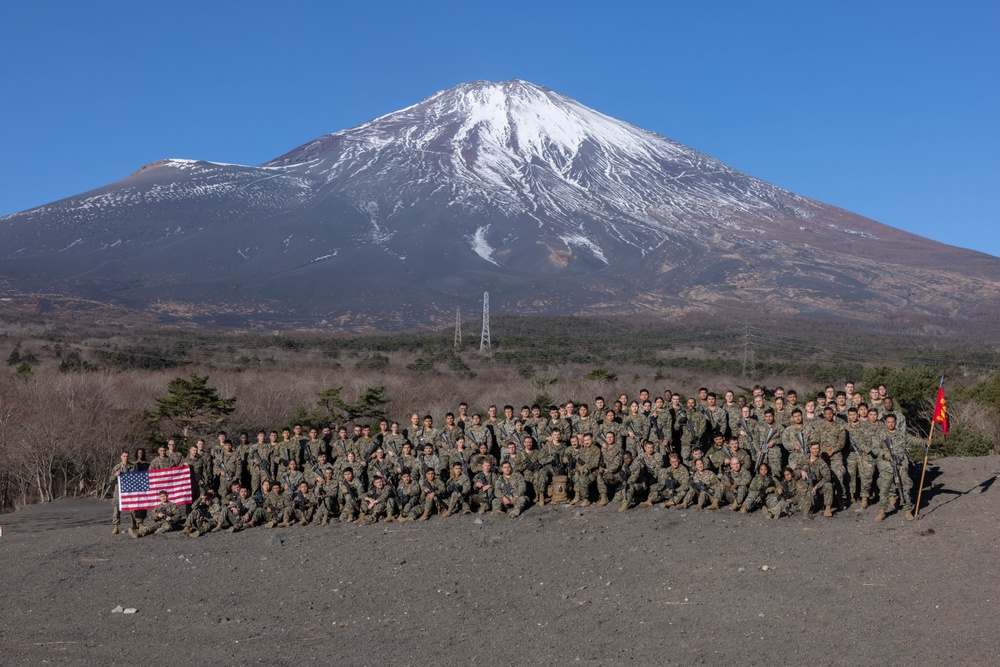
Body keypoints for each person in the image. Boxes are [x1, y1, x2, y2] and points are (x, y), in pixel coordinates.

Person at [109, 451, 136, 535]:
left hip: (130, 490)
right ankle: (116, 526)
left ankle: (135, 524)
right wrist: (115, 475)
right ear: (121, 457)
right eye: (124, 456)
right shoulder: (117, 467)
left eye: (127, 456)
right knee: (116, 508)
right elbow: (110, 480)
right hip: (119, 491)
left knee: (133, 508)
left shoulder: (133, 466)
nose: (126, 458)